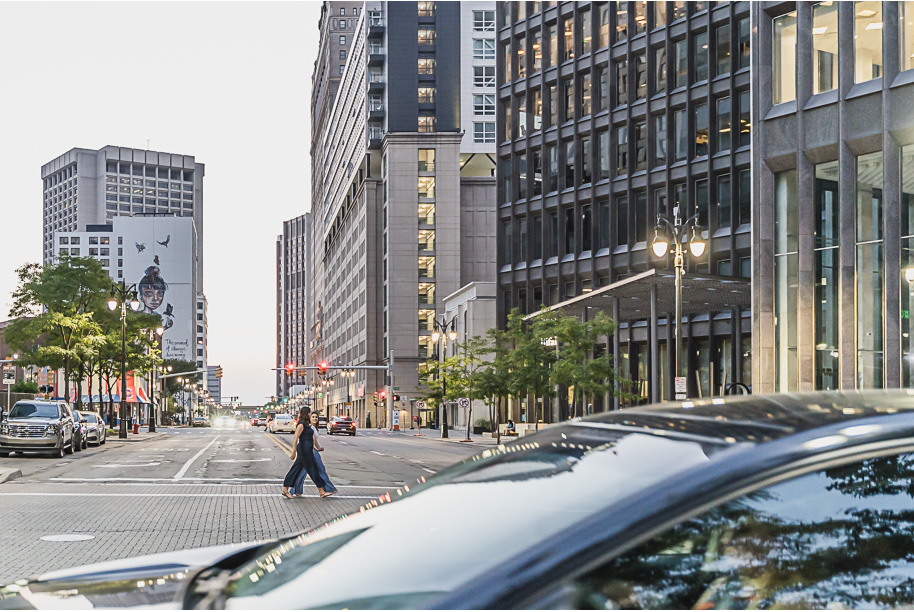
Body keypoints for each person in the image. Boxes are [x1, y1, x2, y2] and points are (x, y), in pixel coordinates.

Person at [282, 408, 329, 499]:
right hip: (304, 450)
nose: (311, 414)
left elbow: (311, 438)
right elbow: (295, 438)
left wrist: (316, 448)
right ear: (306, 413)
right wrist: (294, 452)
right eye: (310, 413)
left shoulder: (307, 424)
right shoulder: (301, 425)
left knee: (295, 469)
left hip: (307, 450)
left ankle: (285, 489)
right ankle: (321, 491)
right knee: (312, 469)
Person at [292, 413, 337, 497]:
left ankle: (296, 490)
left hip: (309, 450)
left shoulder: (312, 427)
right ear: (309, 418)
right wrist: (315, 448)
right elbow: (311, 439)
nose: (315, 418)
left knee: (303, 470)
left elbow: (314, 439)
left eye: (316, 417)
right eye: (313, 417)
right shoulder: (310, 427)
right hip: (310, 451)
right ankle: (329, 488)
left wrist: (318, 447)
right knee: (320, 469)